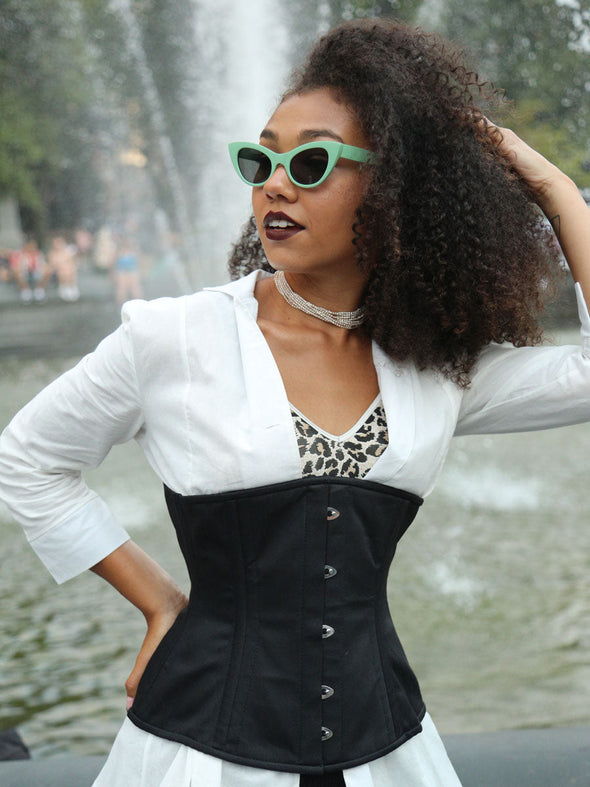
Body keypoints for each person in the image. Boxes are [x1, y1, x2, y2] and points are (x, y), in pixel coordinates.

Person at [0, 18, 590, 787]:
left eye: (310, 162)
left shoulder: (433, 367)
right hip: (198, 753)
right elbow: (28, 459)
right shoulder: (176, 336)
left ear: (392, 190)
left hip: (388, 752)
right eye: (262, 158)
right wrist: (157, 601)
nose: (275, 183)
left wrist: (554, 192)